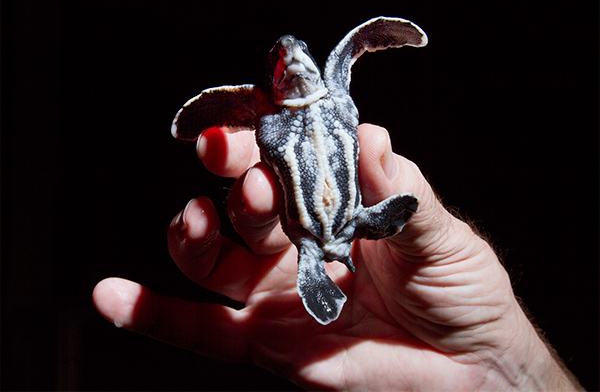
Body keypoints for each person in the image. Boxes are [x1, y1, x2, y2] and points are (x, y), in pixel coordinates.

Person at [93, 123, 583, 390]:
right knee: (263, 198)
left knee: (362, 207)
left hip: (349, 225)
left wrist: (505, 366)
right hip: (311, 239)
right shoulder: (271, 114)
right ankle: (330, 255)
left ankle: (359, 231)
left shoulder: (332, 99)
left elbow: (346, 58)